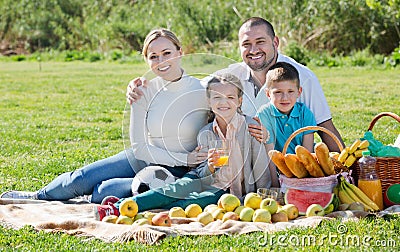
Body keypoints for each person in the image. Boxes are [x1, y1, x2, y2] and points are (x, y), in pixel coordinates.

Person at [0, 29, 209, 203]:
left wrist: (190, 160)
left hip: (180, 171)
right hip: (144, 157)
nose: (161, 61)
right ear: (146, 60)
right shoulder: (142, 91)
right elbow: (139, 148)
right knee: (80, 179)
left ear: (180, 52)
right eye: (153, 56)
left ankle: (88, 199)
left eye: (167, 53)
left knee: (105, 191)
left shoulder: (203, 90)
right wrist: (183, 156)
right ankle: (38, 196)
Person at [127, 17, 344, 152]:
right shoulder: (233, 74)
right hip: (242, 162)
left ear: (275, 42)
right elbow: (192, 86)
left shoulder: (302, 77)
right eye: (246, 44)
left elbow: (325, 128)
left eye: (260, 42)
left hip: (287, 163)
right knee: (93, 178)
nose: (254, 50)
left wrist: (348, 167)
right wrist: (142, 86)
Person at [95, 73, 277, 220]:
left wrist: (261, 196)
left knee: (187, 205)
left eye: (230, 97)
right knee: (170, 190)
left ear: (239, 101)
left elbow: (260, 164)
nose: (224, 103)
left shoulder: (250, 128)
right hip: (200, 178)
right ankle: (117, 207)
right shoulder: (206, 132)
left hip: (223, 190)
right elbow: (203, 171)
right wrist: (211, 166)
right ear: (209, 102)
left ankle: (132, 207)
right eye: (217, 97)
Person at [256, 62, 316, 154]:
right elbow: (269, 153)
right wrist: (274, 169)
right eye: (278, 92)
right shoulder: (264, 115)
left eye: (290, 91)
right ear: (268, 94)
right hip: (276, 163)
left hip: (300, 163)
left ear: (299, 92)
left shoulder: (305, 113)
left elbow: (307, 153)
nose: (285, 98)